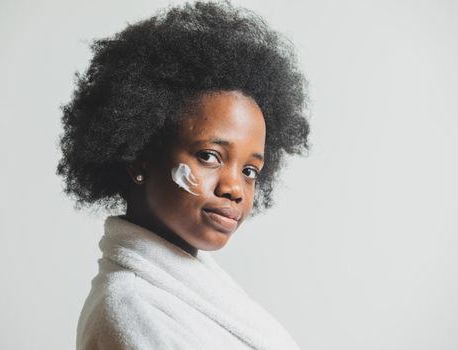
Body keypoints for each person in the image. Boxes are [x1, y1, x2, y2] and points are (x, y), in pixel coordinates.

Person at [57, 1, 309, 349]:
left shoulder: (193, 288)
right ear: (138, 159)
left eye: (250, 170)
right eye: (209, 156)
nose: (235, 187)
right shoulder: (133, 311)